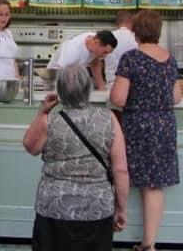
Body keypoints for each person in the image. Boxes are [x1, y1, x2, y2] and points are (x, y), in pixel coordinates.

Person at [22, 64, 129, 251]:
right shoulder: (109, 118)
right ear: (88, 88)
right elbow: (120, 170)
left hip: (54, 207)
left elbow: (30, 146)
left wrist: (42, 112)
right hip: (97, 207)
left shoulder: (49, 121)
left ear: (60, 91)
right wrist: (120, 208)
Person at [109, 10, 183, 251]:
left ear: (136, 31)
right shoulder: (170, 59)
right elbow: (176, 97)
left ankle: (114, 230)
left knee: (121, 174)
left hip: (138, 126)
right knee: (154, 185)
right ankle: (149, 244)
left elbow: (118, 98)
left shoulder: (131, 58)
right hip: (164, 125)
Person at [47, 30, 117, 90]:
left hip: (75, 76)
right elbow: (60, 73)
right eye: (105, 52)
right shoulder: (73, 50)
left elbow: (95, 63)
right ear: (96, 42)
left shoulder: (95, 39)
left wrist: (101, 87)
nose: (105, 56)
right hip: (56, 79)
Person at [103, 11, 138, 86]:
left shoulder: (108, 37)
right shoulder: (136, 38)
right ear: (131, 21)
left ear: (117, 23)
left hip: (111, 82)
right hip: (131, 84)